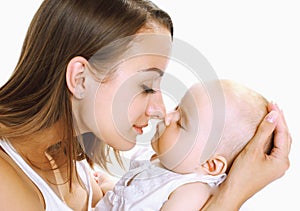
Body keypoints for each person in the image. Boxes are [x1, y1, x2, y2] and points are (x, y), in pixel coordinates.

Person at [0, 0, 291, 210]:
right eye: (146, 86)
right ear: (80, 78)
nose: (161, 110)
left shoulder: (70, 157)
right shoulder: (7, 183)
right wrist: (234, 192)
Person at [95, 80, 274, 210]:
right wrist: (109, 186)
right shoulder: (159, 161)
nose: (167, 117)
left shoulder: (190, 193)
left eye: (181, 123)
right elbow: (132, 201)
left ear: (210, 164)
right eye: (176, 109)